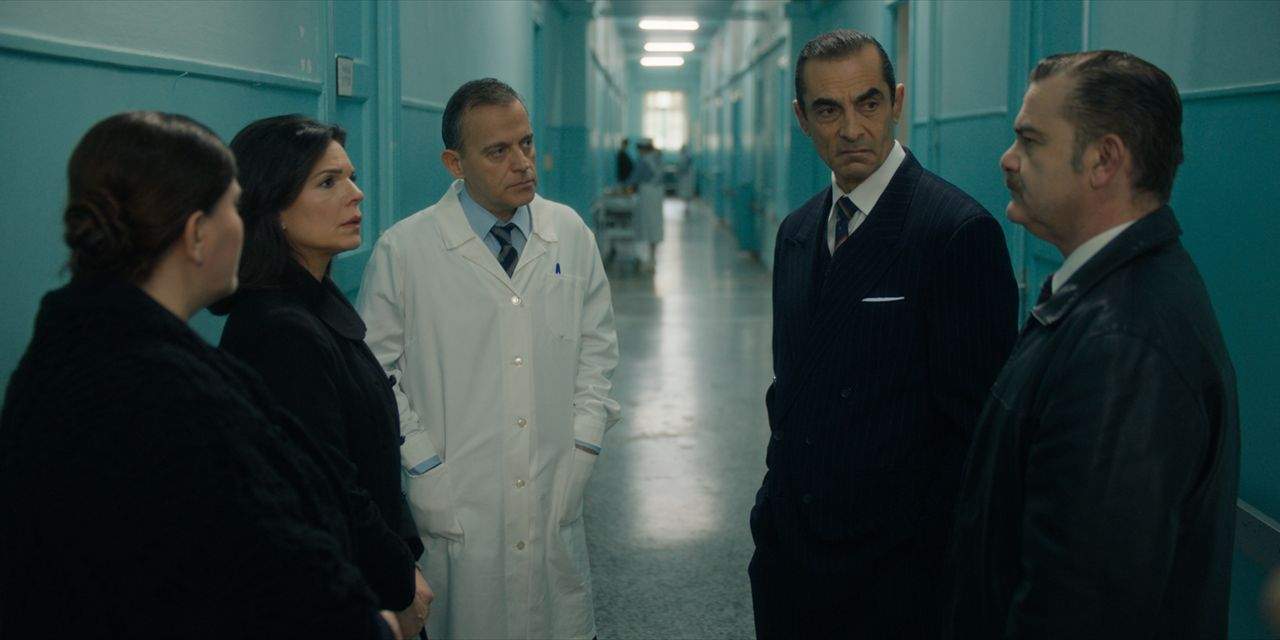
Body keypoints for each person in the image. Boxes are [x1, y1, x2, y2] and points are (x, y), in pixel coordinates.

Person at [0, 111, 401, 638]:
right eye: (233, 207)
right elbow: (274, 570)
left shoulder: (69, 353)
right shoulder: (173, 394)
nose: (243, 223)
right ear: (196, 235)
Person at [948, 50, 1239, 639]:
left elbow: (1080, 606)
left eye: (1030, 140)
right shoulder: (1110, 299)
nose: (1008, 159)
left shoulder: (1124, 346)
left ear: (1104, 160)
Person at [749, 29, 1019, 638]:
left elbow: (976, 438)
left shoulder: (953, 232)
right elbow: (790, 390)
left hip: (894, 575)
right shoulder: (797, 233)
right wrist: (771, 512)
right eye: (828, 110)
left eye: (868, 103)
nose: (851, 129)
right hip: (793, 557)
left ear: (896, 101)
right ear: (801, 119)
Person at [357, 78, 621, 639]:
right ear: (455, 163)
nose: (522, 163)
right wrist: (424, 465)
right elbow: (376, 376)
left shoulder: (569, 233)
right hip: (456, 494)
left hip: (553, 480)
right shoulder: (404, 251)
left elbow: (597, 349)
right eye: (498, 151)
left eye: (526, 143)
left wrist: (582, 444)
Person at [214, 115, 432, 638]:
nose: (356, 194)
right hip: (338, 593)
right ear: (274, 207)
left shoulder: (317, 299)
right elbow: (331, 486)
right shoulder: (278, 331)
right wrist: (398, 577)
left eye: (351, 177)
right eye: (328, 182)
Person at [625, 138, 664, 269]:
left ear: (642, 149)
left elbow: (634, 178)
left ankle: (647, 258)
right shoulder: (657, 158)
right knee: (655, 224)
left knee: (647, 225)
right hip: (657, 194)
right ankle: (652, 257)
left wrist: (624, 187)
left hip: (647, 195)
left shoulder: (644, 161)